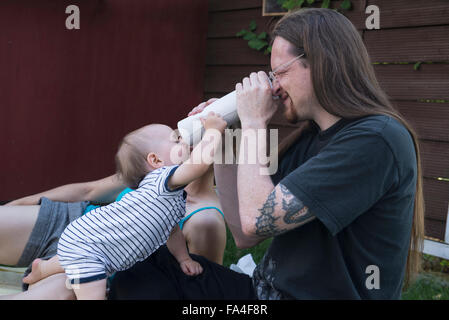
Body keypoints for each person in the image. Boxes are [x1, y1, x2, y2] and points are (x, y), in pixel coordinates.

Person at [109, 8, 425, 300]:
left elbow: (255, 221)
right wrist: (227, 135)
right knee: (138, 272)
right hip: (261, 294)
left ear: (319, 62)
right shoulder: (311, 138)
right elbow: (243, 233)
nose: (274, 87)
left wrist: (254, 122)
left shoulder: (375, 140)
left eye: (279, 73)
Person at [0, 110, 226, 300]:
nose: (185, 139)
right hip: (86, 233)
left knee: (78, 287)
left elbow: (173, 231)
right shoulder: (160, 180)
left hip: (97, 255)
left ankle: (45, 268)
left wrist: (184, 259)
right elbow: (89, 190)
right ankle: (47, 267)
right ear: (155, 161)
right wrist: (214, 129)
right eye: (177, 139)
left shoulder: (196, 213)